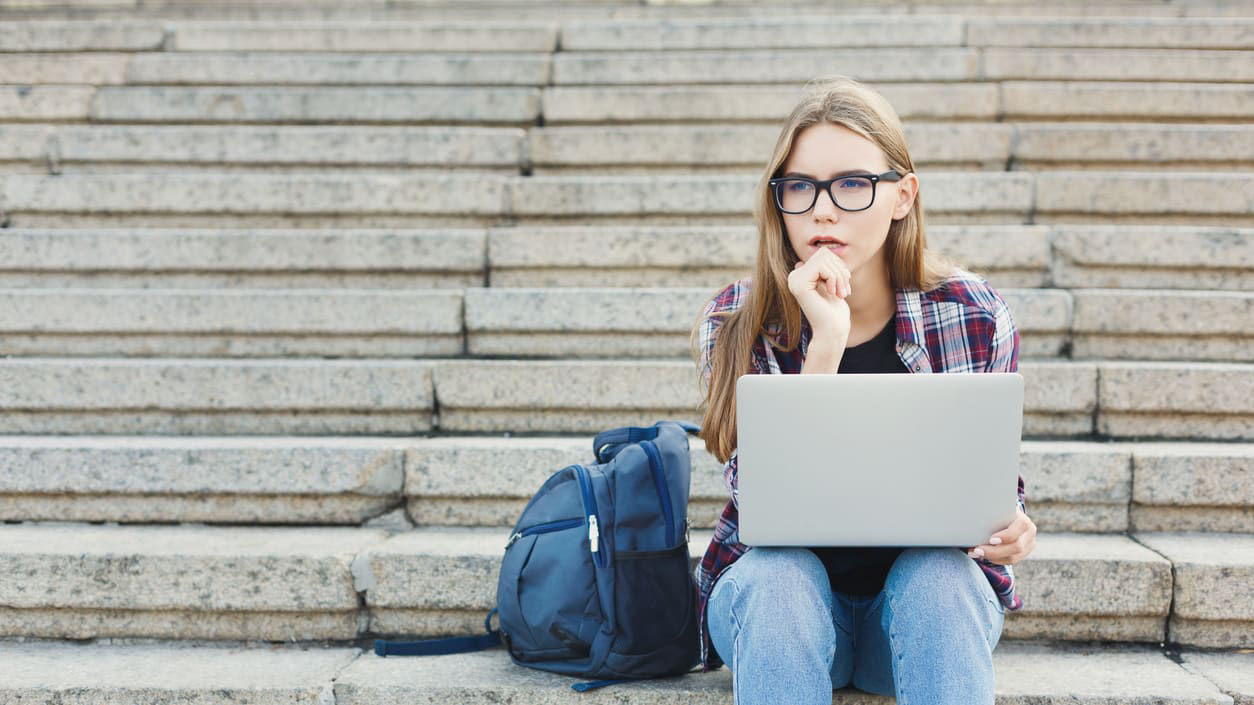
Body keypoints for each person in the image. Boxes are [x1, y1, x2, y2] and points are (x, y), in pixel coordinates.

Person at [687, 75, 1038, 704]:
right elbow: (767, 508)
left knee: (937, 578)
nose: (822, 208)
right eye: (800, 186)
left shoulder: (973, 313)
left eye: (852, 184)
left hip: (910, 622)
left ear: (902, 196)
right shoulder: (737, 318)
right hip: (777, 615)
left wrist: (1009, 530)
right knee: (781, 578)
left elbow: (992, 492)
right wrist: (825, 345)